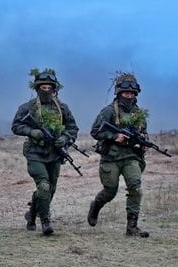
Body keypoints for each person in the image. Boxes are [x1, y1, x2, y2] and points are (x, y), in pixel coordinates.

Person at [11, 68, 79, 235]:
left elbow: (73, 128)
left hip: (55, 154)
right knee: (43, 186)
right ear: (37, 88)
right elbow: (16, 126)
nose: (46, 90)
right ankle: (46, 221)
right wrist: (32, 132)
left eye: (49, 87)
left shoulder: (62, 108)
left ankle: (32, 214)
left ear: (54, 88)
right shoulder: (28, 107)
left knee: (51, 189)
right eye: (43, 87)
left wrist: (65, 138)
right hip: (35, 153)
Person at [87, 72, 150, 237]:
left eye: (131, 93)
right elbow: (95, 131)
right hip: (111, 158)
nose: (128, 96)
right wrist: (115, 137)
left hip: (131, 157)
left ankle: (132, 227)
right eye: (125, 93)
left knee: (135, 188)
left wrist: (144, 143)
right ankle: (96, 206)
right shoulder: (108, 111)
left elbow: (144, 133)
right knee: (110, 191)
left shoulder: (139, 115)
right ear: (119, 93)